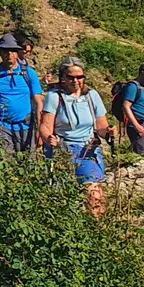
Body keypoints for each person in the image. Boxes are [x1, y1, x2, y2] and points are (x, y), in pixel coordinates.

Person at [39, 55, 112, 216]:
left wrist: (108, 132)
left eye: (79, 77)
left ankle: (98, 228)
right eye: (70, 77)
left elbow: (101, 127)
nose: (75, 81)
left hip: (88, 149)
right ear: (63, 78)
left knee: (95, 194)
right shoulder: (54, 97)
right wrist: (48, 138)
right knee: (61, 197)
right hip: (62, 149)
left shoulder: (92, 96)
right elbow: (45, 126)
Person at [0, 34, 44, 155]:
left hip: (27, 127)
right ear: (0, 53)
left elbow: (39, 103)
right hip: (1, 127)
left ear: (18, 52)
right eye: (5, 51)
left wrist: (40, 131)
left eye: (13, 51)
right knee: (6, 166)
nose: (9, 55)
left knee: (30, 165)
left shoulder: (29, 73)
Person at [114, 63, 144, 154]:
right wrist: (137, 126)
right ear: (142, 73)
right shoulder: (133, 87)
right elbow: (126, 106)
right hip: (139, 127)